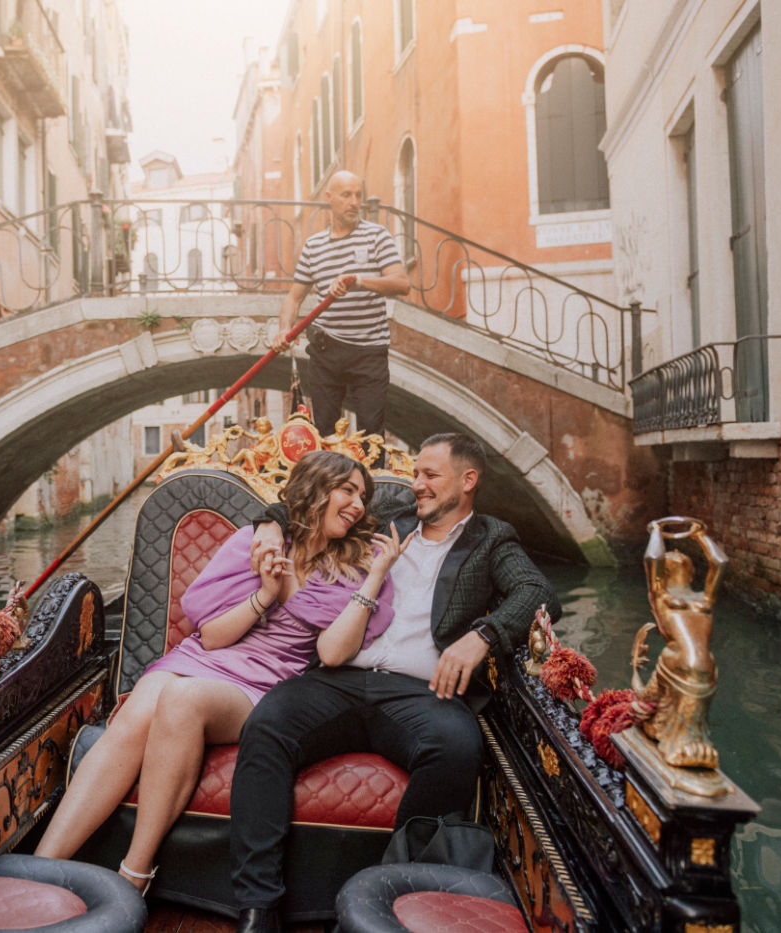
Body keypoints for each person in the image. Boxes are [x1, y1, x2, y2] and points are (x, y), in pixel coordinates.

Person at [229, 433, 562, 933]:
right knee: (268, 724)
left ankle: (383, 901)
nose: (417, 484)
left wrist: (483, 636)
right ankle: (258, 908)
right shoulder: (390, 514)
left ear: (468, 481)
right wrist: (270, 528)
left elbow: (538, 592)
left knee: (455, 745)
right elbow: (304, 501)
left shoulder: (493, 538)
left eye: (430, 475)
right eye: (416, 473)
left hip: (421, 693)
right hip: (340, 675)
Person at [34, 451, 408, 894]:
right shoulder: (259, 543)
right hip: (204, 657)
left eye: (363, 495)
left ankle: (134, 871)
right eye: (347, 489)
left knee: (181, 699)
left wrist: (323, 583)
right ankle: (41, 869)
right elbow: (210, 637)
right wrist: (266, 594)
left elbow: (333, 651)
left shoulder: (355, 567)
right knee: (137, 713)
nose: (359, 504)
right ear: (315, 489)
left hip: (267, 684)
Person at [270, 171, 410, 437]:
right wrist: (284, 328)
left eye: (358, 195)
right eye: (346, 195)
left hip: (369, 350)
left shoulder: (377, 236)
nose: (354, 202)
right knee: (324, 434)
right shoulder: (314, 246)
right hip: (327, 349)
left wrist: (359, 281)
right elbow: (294, 297)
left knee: (371, 437)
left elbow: (401, 283)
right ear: (329, 198)